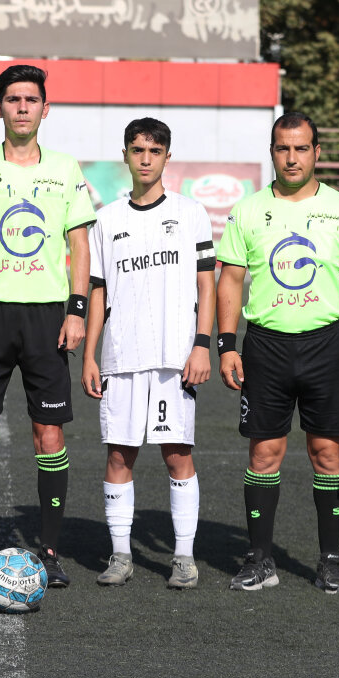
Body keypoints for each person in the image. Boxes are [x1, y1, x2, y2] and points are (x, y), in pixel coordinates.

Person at [0, 64, 96, 588]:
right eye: (13, 99)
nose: (23, 107)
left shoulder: (66, 169)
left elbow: (80, 245)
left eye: (31, 99)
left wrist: (77, 309)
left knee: (48, 434)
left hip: (47, 316)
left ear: (45, 109)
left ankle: (49, 552)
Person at [215, 112, 339, 594]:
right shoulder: (247, 211)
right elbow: (230, 279)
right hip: (265, 346)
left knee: (327, 452)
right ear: (272, 152)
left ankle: (331, 562)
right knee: (264, 452)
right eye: (283, 148)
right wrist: (226, 345)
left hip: (326, 346)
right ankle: (260, 560)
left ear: (316, 152)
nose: (292, 158)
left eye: (301, 148)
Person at [81, 118, 216, 589]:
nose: (145, 159)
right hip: (122, 357)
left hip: (174, 359)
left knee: (177, 455)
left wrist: (202, 345)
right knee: (120, 456)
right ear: (125, 155)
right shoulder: (107, 220)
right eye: (137, 150)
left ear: (166, 157)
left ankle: (184, 557)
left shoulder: (191, 213)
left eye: (154, 151)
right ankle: (120, 554)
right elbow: (98, 291)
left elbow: (206, 284)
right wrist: (90, 355)